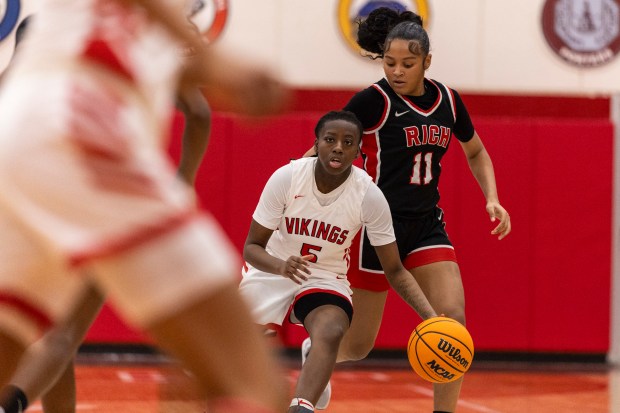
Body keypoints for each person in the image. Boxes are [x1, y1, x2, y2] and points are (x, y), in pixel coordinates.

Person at [0, 1, 289, 413]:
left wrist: (202, 66)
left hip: (26, 135)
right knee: (251, 379)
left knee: (26, 344)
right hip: (79, 122)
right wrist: (214, 57)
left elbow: (145, 56)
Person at [304, 7, 511, 413]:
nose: (397, 71)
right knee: (359, 346)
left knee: (451, 319)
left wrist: (492, 197)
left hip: (425, 224)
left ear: (426, 63)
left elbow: (477, 151)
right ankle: (320, 351)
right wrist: (302, 188)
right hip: (375, 227)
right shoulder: (372, 101)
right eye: (390, 62)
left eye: (408, 64)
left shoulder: (449, 101)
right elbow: (323, 148)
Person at [239, 110, 437, 413]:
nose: (338, 148)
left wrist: (432, 317)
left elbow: (395, 269)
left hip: (325, 277)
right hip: (273, 268)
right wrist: (280, 266)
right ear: (317, 143)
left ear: (358, 151)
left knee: (331, 330)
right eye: (330, 140)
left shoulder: (368, 195)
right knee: (238, 347)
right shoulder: (287, 177)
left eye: (348, 142)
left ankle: (301, 407)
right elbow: (252, 246)